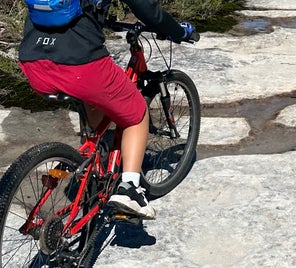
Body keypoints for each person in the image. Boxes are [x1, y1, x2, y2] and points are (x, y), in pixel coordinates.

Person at [17, 0, 192, 219]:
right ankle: (130, 190)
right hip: (80, 66)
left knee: (95, 97)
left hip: (33, 62)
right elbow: (147, 9)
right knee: (137, 113)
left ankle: (91, 158)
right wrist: (178, 31)